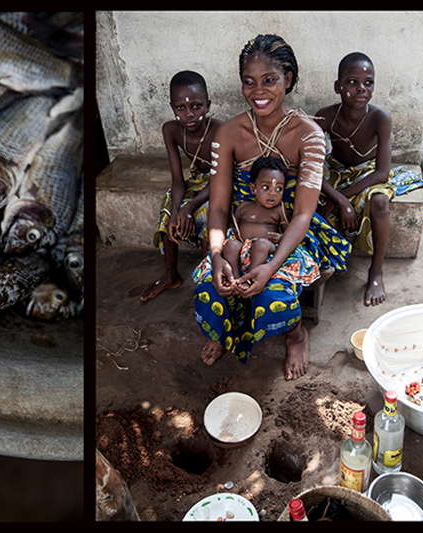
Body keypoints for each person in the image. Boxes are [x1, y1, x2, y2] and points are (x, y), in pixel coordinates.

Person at [191, 34, 351, 380]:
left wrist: (270, 267)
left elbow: (303, 214)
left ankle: (296, 336)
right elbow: (217, 209)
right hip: (238, 233)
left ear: (288, 80)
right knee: (211, 289)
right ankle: (223, 331)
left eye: (269, 80)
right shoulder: (228, 133)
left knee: (271, 295)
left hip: (287, 234)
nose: (258, 91)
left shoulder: (308, 134)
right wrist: (217, 255)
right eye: (249, 82)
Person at [313, 52, 423, 306]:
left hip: (368, 172)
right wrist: (338, 199)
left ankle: (376, 271)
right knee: (307, 191)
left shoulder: (380, 118)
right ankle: (321, 261)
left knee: (379, 201)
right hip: (337, 169)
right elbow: (310, 165)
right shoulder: (325, 117)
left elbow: (382, 174)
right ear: (338, 87)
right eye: (352, 82)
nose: (361, 88)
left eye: (368, 82)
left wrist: (341, 198)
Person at [141, 70, 219, 302]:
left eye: (196, 106)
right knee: (168, 208)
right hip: (197, 181)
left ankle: (208, 280)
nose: (189, 114)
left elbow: (220, 179)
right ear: (172, 108)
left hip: (221, 182)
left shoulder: (220, 131)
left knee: (207, 213)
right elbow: (177, 180)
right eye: (180, 108)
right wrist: (176, 211)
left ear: (208, 105)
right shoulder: (171, 130)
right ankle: (170, 275)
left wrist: (189, 208)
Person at [222, 156, 291, 281]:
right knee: (231, 245)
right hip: (243, 248)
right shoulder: (243, 207)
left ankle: (251, 278)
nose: (272, 193)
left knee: (261, 244)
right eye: (266, 187)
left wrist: (281, 238)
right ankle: (235, 279)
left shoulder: (280, 210)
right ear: (253, 189)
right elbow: (232, 228)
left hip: (266, 249)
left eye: (279, 189)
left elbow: (289, 233)